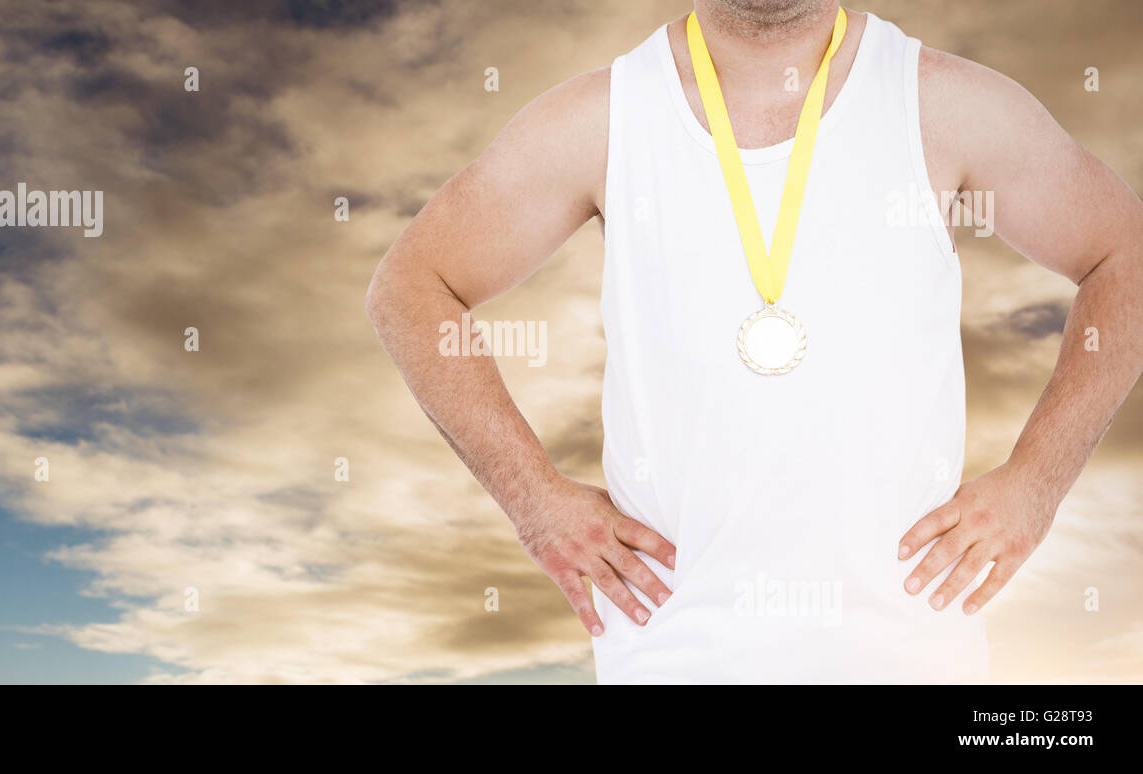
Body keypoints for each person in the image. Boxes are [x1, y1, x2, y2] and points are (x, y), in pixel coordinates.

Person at [365, 0, 1143, 682]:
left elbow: (1126, 257)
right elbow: (411, 287)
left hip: (913, 659)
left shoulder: (946, 104)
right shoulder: (602, 117)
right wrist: (534, 500)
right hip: (668, 659)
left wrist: (1036, 483)